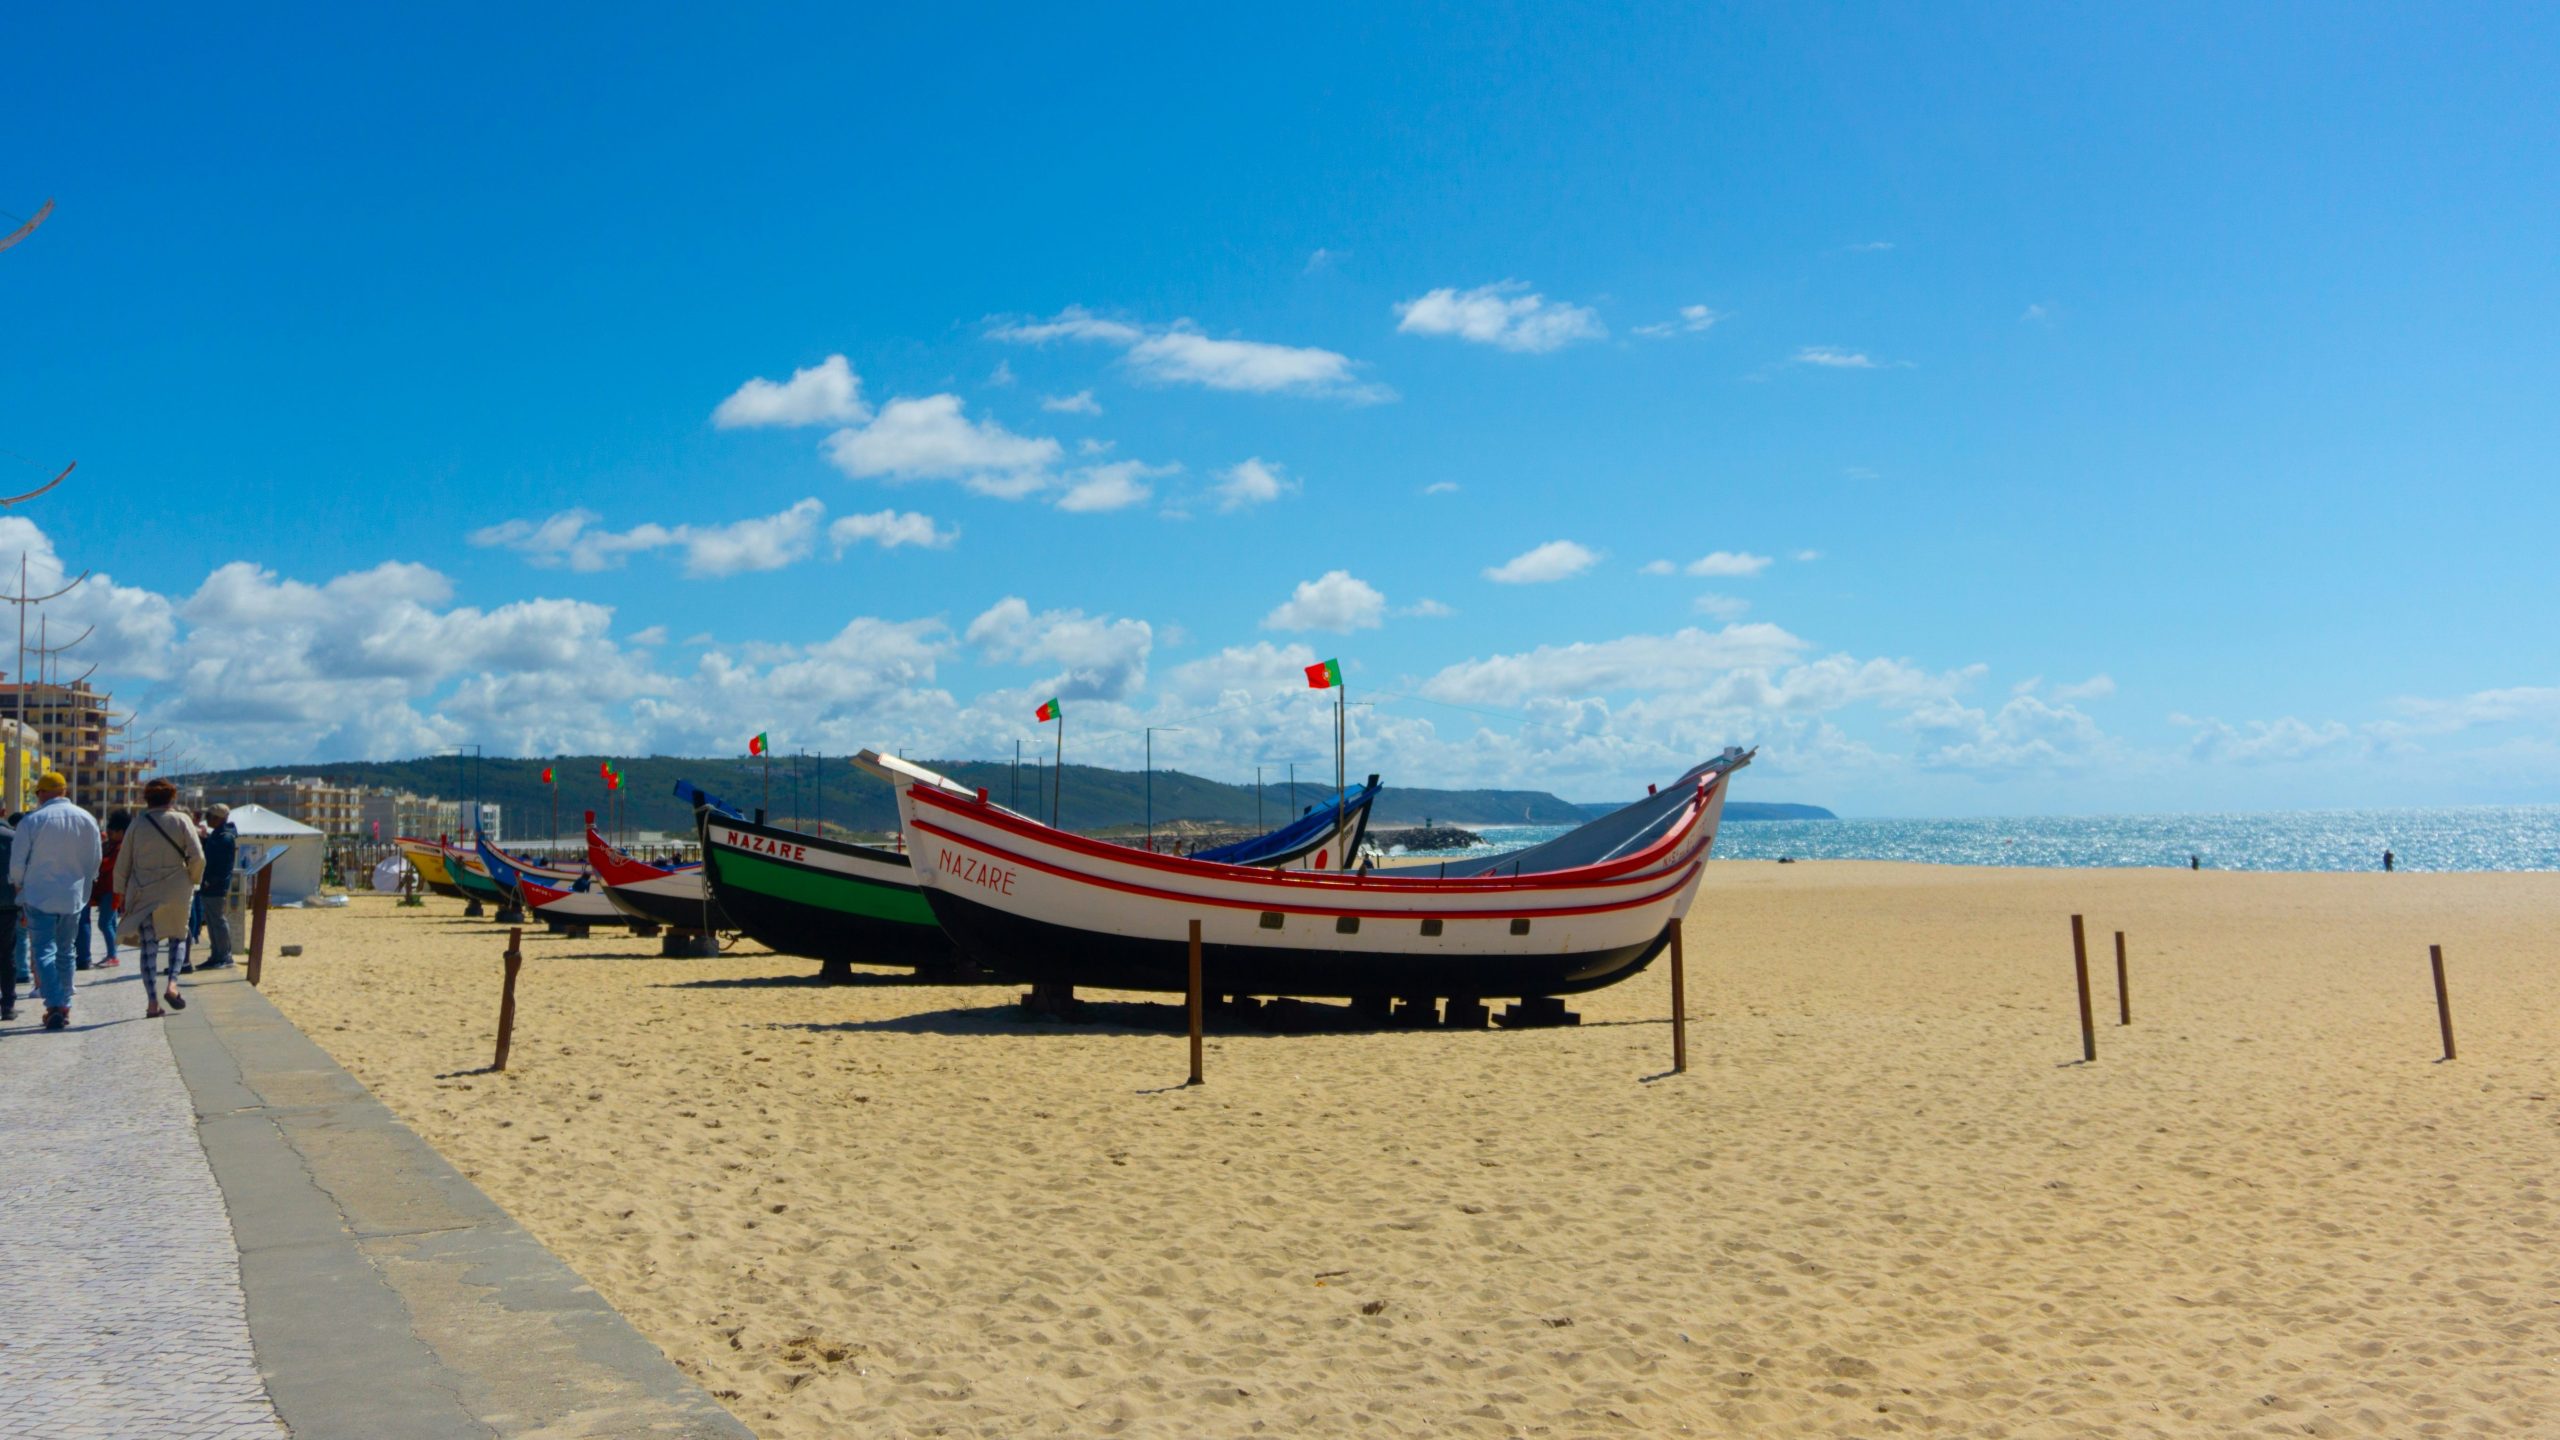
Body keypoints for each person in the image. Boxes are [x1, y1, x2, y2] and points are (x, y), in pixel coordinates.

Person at [10, 773, 102, 1031]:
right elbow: (95, 859)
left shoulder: (32, 821)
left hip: (39, 894)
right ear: (64, 790)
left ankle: (54, 1004)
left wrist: (19, 885)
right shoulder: (87, 819)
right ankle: (65, 1003)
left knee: (43, 951)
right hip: (73, 895)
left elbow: (17, 863)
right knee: (66, 950)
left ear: (41, 793)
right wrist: (85, 884)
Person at [112, 778, 203, 1020]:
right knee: (178, 936)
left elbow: (123, 863)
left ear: (146, 799)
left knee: (148, 947)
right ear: (172, 798)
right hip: (177, 888)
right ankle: (172, 984)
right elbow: (198, 856)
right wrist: (192, 880)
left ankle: (152, 1002)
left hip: (145, 890)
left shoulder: (137, 824)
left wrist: (120, 893)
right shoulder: (182, 820)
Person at [195, 804, 239, 969]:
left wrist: (209, 881)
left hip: (216, 886)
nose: (208, 819)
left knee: (218, 921)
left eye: (211, 816)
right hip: (209, 885)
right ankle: (216, 955)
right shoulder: (218, 835)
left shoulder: (225, 838)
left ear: (219, 818)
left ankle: (224, 956)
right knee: (213, 921)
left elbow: (222, 867)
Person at [88, 809, 129, 968]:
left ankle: (113, 955)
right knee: (110, 923)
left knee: (104, 923)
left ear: (121, 831)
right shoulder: (111, 845)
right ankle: (112, 953)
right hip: (107, 889)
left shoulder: (120, 848)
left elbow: (105, 865)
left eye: (113, 831)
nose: (110, 833)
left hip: (112, 890)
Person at [0, 811, 19, 1022]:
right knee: (7, 957)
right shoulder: (13, 838)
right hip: (8, 906)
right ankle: (8, 1005)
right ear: (3, 813)